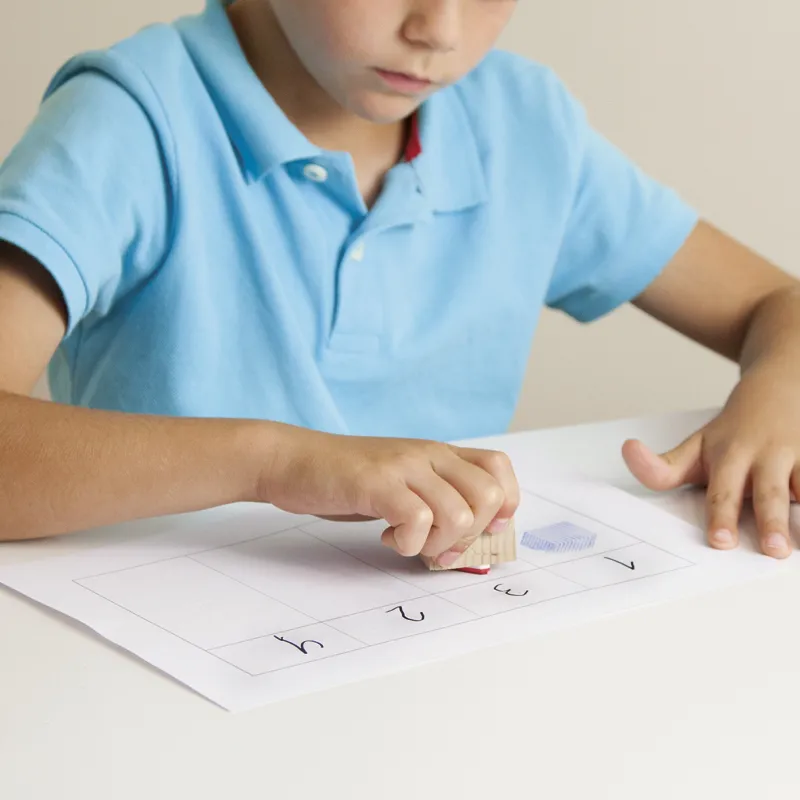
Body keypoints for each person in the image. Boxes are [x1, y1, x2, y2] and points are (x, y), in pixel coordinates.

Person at [0, 0, 798, 565]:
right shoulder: (131, 119)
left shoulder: (522, 123)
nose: (438, 30)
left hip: (424, 651)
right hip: (150, 655)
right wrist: (274, 461)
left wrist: (777, 396)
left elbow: (779, 304)